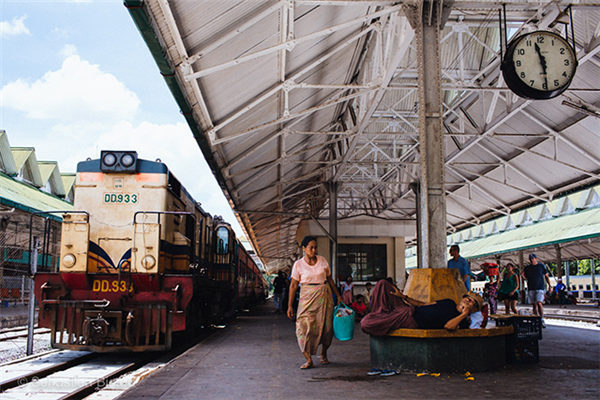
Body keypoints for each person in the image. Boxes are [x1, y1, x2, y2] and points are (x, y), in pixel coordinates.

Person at [287, 236, 343, 369]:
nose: (314, 250)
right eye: (311, 248)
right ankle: (308, 359)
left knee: (326, 328)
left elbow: (330, 280)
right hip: (306, 298)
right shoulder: (298, 265)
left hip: (324, 297)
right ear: (304, 248)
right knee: (303, 327)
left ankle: (323, 353)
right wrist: (289, 305)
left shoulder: (322, 261)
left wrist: (338, 296)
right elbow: (293, 285)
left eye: (315, 248)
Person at [360, 279, 483, 336]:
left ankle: (381, 317)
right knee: (383, 284)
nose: (467, 300)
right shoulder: (449, 302)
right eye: (467, 298)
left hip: (410, 319)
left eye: (471, 302)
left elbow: (448, 327)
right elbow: (423, 304)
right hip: (408, 308)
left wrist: (463, 314)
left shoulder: (462, 322)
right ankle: (380, 313)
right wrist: (403, 297)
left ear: (474, 309)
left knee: (366, 323)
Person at [522, 254, 552, 327]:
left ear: (536, 258)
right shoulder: (527, 268)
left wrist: (550, 285)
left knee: (539, 302)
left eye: (533, 258)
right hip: (531, 287)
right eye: (530, 259)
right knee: (534, 304)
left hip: (540, 287)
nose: (531, 260)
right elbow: (525, 277)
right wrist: (523, 276)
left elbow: (546, 276)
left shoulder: (541, 266)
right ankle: (536, 318)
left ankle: (541, 318)